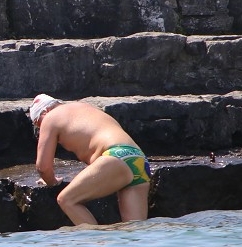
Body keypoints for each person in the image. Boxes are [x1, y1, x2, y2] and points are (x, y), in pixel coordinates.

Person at [30, 94, 151, 226]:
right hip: (138, 159)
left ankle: (97, 243)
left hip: (115, 156)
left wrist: (52, 181)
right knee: (135, 232)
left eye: (38, 124)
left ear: (45, 112)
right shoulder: (85, 108)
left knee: (66, 200)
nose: (40, 130)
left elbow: (43, 168)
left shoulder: (50, 117)